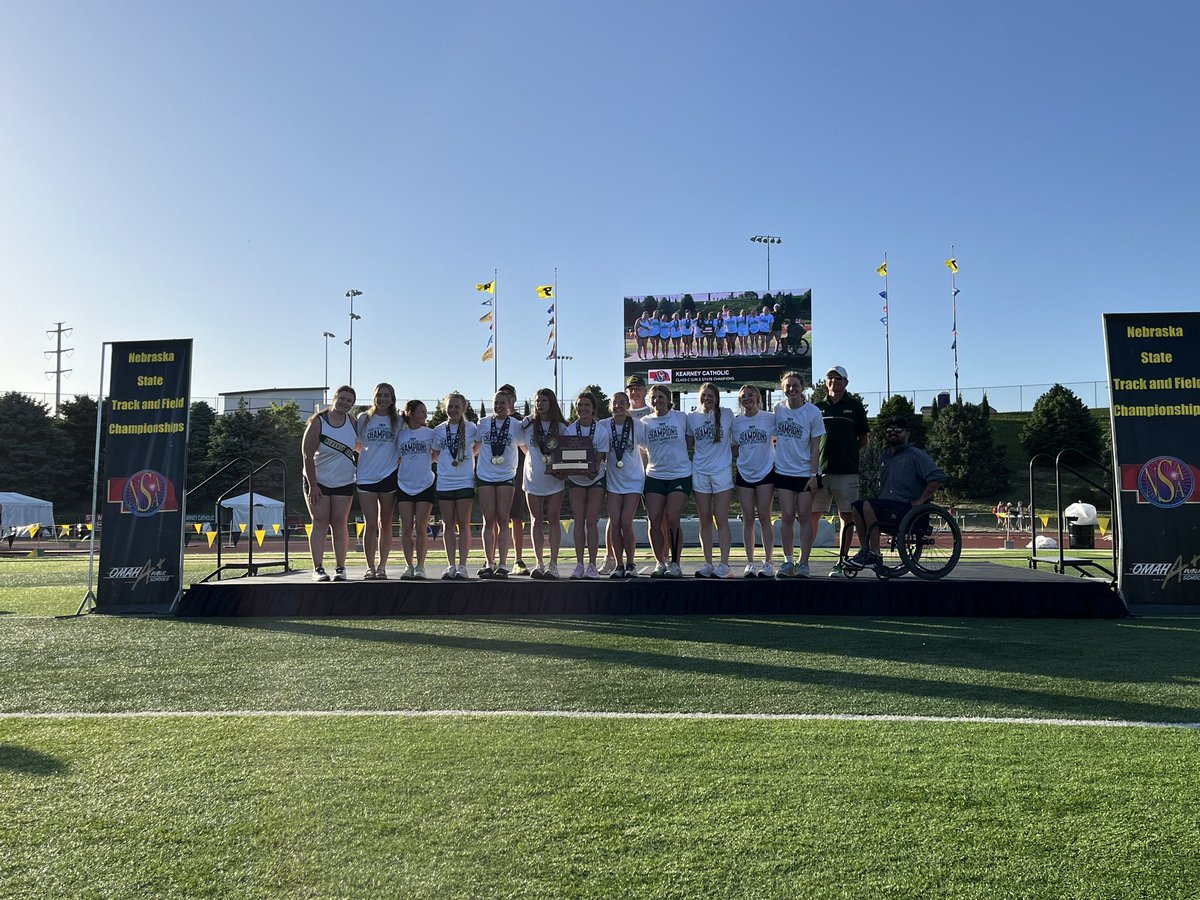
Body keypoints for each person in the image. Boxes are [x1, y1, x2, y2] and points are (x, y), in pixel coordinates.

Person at [845, 416, 946, 570]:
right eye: (889, 430)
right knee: (856, 507)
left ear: (907, 434)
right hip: (888, 506)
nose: (893, 433)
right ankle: (865, 550)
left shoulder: (915, 454)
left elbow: (937, 477)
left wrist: (921, 500)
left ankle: (875, 553)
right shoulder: (885, 456)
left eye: (898, 430)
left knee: (866, 505)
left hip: (906, 507)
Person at [812, 365, 870, 578]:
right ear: (826, 382)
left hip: (846, 472)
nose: (834, 382)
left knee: (847, 516)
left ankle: (842, 560)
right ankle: (803, 561)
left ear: (846, 382)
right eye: (830, 378)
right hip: (819, 473)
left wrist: (848, 453)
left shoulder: (855, 407)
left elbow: (863, 439)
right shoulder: (816, 407)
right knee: (813, 515)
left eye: (838, 378)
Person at [301, 385, 358, 582]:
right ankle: (318, 568)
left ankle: (340, 568)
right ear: (334, 398)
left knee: (340, 524)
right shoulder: (318, 422)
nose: (344, 402)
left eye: (349, 401)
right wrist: (313, 485)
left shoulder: (353, 422)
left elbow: (362, 446)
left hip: (344, 481)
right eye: (341, 398)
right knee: (320, 523)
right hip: (319, 482)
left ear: (353, 404)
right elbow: (307, 456)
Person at [772, 371, 825, 578]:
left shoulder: (812, 412)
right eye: (788, 386)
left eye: (795, 385)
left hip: (805, 473)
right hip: (783, 471)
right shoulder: (777, 409)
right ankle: (788, 561)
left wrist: (813, 475)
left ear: (802, 387)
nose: (791, 389)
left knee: (805, 517)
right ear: (782, 388)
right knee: (786, 516)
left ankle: (804, 563)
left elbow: (815, 447)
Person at [600, 375, 654, 575]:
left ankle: (631, 563)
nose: (619, 406)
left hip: (633, 480)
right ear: (610, 405)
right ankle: (618, 564)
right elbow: (595, 449)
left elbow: (650, 448)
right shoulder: (604, 425)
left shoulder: (638, 425)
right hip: (613, 481)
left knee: (626, 522)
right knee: (614, 523)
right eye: (615, 403)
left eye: (623, 403)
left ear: (627, 405)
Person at [642, 383, 694, 578]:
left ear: (669, 400)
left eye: (661, 397)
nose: (657, 401)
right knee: (654, 519)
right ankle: (659, 562)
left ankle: (675, 563)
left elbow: (690, 441)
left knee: (673, 518)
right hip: (655, 475)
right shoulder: (645, 422)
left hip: (680, 474)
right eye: (654, 398)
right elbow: (640, 448)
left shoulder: (681, 417)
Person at [519, 388, 568, 579]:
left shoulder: (562, 427)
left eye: (544, 401)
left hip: (555, 480)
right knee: (535, 521)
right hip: (532, 478)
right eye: (537, 401)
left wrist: (563, 469)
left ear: (552, 403)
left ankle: (553, 564)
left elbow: (569, 451)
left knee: (553, 520)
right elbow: (519, 442)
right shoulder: (528, 424)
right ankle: (539, 562)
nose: (540, 404)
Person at [688, 382, 735, 578]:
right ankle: (708, 563)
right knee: (704, 519)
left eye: (711, 396)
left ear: (717, 399)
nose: (707, 398)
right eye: (704, 395)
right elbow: (687, 443)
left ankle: (724, 564)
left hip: (722, 471)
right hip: (700, 471)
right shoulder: (691, 418)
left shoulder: (728, 414)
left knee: (721, 518)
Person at [473, 390, 521, 578]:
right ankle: (489, 563)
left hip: (506, 476)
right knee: (488, 520)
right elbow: (475, 448)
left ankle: (502, 564)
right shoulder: (483, 423)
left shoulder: (516, 425)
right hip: (485, 475)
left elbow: (525, 446)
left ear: (510, 405)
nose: (499, 406)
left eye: (503, 403)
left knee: (503, 519)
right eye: (496, 402)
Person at [355, 383, 400, 580]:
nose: (382, 399)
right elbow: (357, 444)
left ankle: (382, 567)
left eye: (386, 395)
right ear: (374, 397)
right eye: (379, 395)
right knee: (370, 523)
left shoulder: (398, 421)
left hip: (388, 476)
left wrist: (389, 460)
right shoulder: (364, 418)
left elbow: (403, 445)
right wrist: (371, 458)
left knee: (386, 523)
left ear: (392, 398)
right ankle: (370, 567)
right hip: (366, 476)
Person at [431, 391, 477, 580]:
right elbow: (434, 454)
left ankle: (463, 566)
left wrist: (466, 459)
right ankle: (451, 565)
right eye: (450, 406)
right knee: (448, 524)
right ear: (445, 408)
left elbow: (478, 446)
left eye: (457, 406)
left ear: (463, 408)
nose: (453, 410)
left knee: (464, 523)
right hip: (445, 481)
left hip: (465, 480)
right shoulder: (438, 429)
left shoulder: (472, 428)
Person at [732, 384, 776, 577]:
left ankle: (768, 562)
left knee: (765, 517)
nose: (747, 398)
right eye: (743, 396)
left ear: (758, 398)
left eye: (750, 395)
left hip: (766, 472)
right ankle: (750, 562)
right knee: (748, 518)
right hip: (744, 473)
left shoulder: (769, 418)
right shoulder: (736, 422)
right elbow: (734, 448)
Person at [565, 391, 610, 578]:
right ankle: (579, 564)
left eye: (586, 405)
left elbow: (599, 460)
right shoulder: (569, 430)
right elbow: (566, 457)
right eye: (580, 405)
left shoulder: (600, 431)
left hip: (595, 478)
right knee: (578, 521)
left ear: (593, 409)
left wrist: (591, 470)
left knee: (591, 520)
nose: (582, 408)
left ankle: (592, 564)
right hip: (576, 479)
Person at [395, 399, 436, 579]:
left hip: (425, 485)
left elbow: (435, 455)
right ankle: (408, 566)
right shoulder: (400, 435)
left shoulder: (430, 433)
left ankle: (420, 566)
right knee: (406, 528)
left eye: (426, 412)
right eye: (421, 411)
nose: (424, 415)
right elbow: (396, 458)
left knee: (421, 528)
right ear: (409, 412)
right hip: (404, 484)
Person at [499, 384, 531, 576]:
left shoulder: (521, 422)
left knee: (516, 518)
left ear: (514, 400)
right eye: (503, 397)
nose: (507, 400)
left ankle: (518, 559)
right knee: (495, 519)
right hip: (494, 473)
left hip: (516, 471)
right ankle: (492, 559)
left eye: (510, 397)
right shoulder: (489, 421)